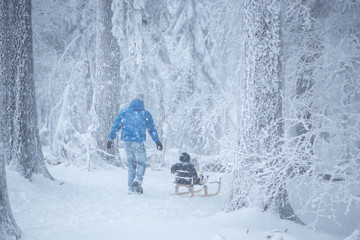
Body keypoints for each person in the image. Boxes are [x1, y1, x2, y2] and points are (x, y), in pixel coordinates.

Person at [107, 94, 163, 194]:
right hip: (138, 142)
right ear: (142, 102)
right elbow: (151, 129)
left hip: (127, 142)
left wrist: (110, 139)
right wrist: (157, 141)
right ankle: (138, 180)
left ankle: (131, 188)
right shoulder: (145, 114)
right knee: (142, 163)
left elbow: (116, 125)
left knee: (131, 165)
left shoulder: (125, 111)